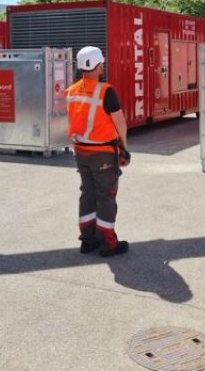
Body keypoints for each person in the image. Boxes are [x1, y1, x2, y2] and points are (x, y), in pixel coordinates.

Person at [65, 46, 129, 257]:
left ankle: (88, 240)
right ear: (98, 65)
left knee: (88, 194)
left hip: (80, 152)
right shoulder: (105, 90)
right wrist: (124, 148)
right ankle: (108, 243)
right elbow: (119, 122)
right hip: (102, 153)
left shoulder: (72, 89)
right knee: (106, 196)